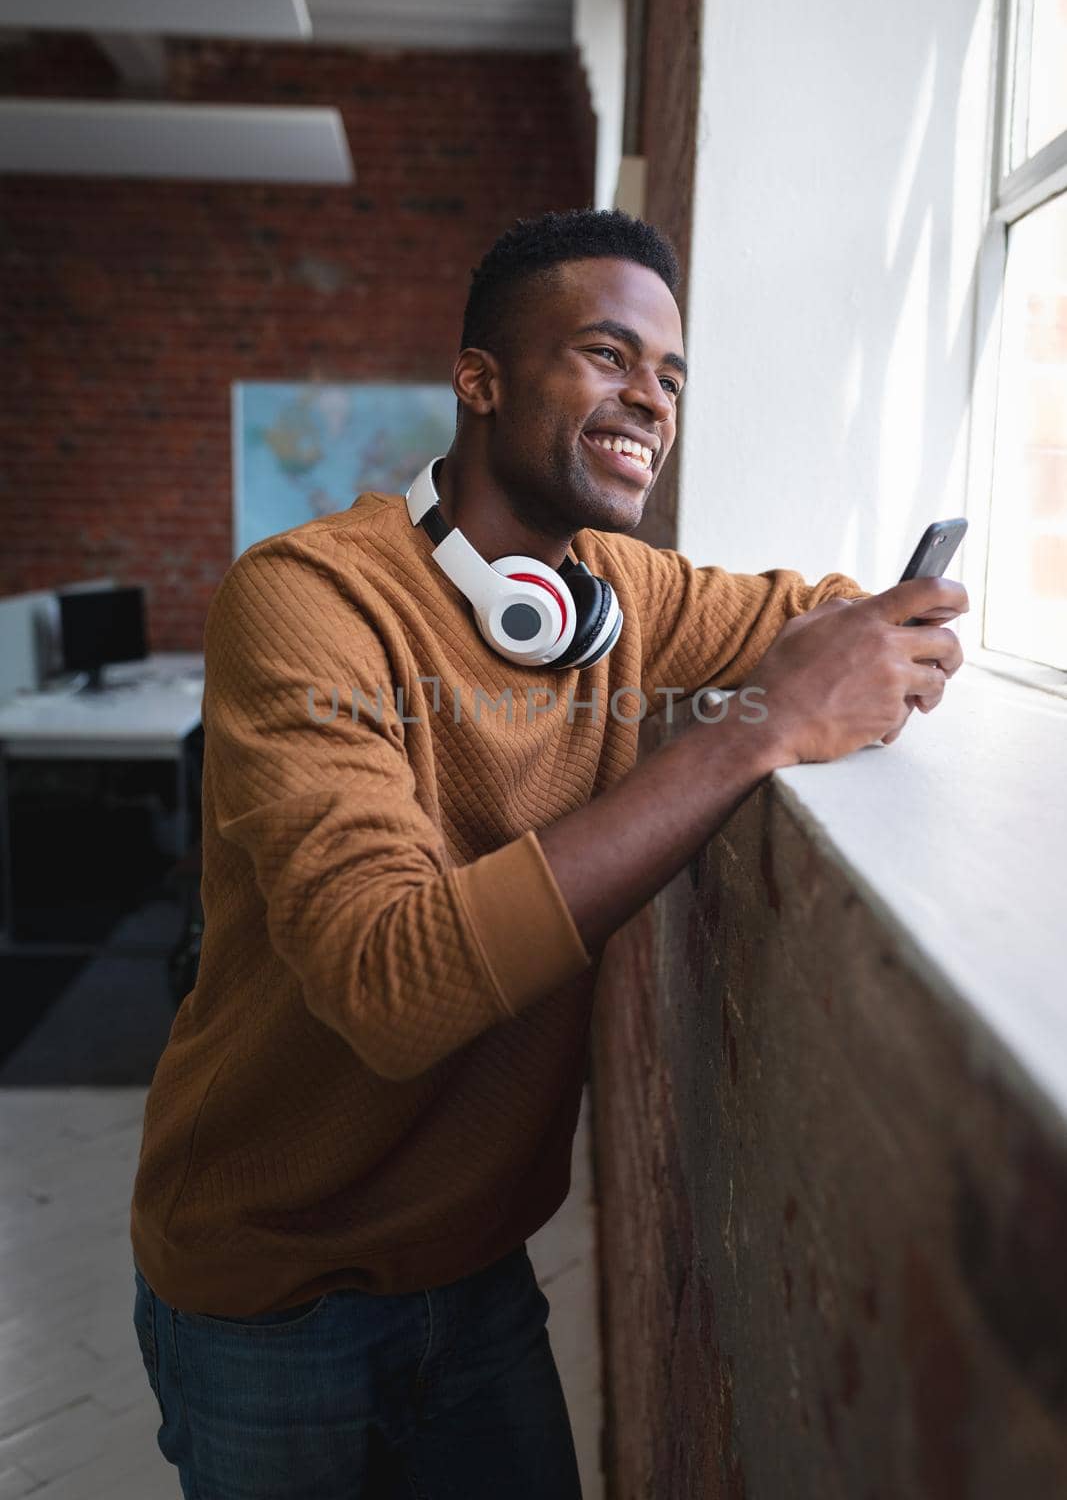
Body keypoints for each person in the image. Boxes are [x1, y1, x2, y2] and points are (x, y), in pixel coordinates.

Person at [130, 208, 966, 1499]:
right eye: (607, 355)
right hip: (268, 1298)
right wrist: (759, 730)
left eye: (672, 375)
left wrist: (869, 647)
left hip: (474, 1280)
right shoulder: (306, 603)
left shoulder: (619, 598)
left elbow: (815, 617)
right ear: (480, 380)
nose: (652, 398)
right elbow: (390, 985)